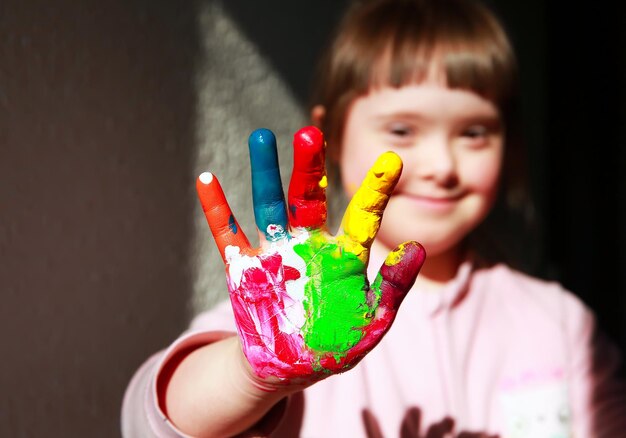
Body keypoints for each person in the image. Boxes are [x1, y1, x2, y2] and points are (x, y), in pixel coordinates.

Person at [122, 0, 626, 436]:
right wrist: (255, 374)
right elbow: (152, 423)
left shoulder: (560, 323)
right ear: (334, 137)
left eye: (474, 133)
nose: (442, 167)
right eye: (403, 130)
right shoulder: (291, 300)